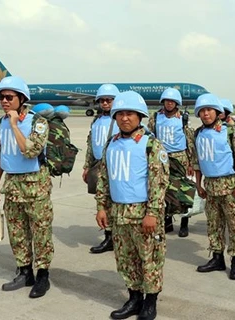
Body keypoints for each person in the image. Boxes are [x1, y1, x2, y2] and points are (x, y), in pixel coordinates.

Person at [95, 91, 169, 320]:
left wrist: (153, 213)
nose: (124, 118)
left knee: (149, 259)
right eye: (120, 114)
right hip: (118, 212)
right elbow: (104, 179)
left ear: (140, 117)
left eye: (130, 114)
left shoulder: (151, 145)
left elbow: (159, 182)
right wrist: (101, 207)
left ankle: (150, 301)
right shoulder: (112, 144)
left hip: (143, 212)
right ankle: (134, 297)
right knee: (126, 259)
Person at [0, 76, 54, 298]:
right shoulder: (0, 123)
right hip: (13, 185)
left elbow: (31, 151)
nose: (4, 101)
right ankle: (24, 272)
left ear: (22, 99)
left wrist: (15, 124)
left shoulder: (38, 123)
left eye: (9, 97)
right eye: (1, 97)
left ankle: (43, 275)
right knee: (17, 233)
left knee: (40, 233)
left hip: (36, 186)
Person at [191, 93, 235, 280]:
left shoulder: (230, 131)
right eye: (202, 111)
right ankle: (217, 258)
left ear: (217, 112)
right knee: (213, 225)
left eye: (209, 110)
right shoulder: (198, 133)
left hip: (230, 185)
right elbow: (197, 162)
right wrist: (198, 185)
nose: (206, 114)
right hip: (210, 186)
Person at [147, 87, 195, 237]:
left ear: (177, 103)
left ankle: (184, 223)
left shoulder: (183, 119)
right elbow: (150, 136)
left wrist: (191, 162)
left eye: (172, 101)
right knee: (163, 189)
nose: (169, 104)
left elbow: (190, 141)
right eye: (167, 101)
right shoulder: (155, 117)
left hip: (180, 157)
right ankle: (167, 221)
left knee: (183, 191)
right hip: (161, 157)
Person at [83, 83, 120, 254]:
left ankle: (116, 237)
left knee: (115, 203)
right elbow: (91, 144)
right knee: (102, 202)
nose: (105, 103)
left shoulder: (119, 119)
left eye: (109, 100)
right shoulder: (97, 120)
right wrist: (86, 166)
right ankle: (109, 236)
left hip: (115, 166)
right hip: (98, 165)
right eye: (102, 100)